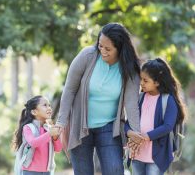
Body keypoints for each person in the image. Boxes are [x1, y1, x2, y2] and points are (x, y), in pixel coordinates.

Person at [55, 23, 141, 175]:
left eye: (108, 49)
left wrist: (135, 133)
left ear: (120, 49)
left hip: (109, 127)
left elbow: (131, 103)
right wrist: (61, 122)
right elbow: (69, 90)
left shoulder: (130, 69)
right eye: (100, 46)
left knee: (114, 170)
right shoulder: (87, 56)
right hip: (80, 124)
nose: (103, 51)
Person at [125, 58, 187, 175]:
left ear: (157, 82)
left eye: (145, 80)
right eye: (141, 79)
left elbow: (167, 126)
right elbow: (129, 122)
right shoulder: (140, 98)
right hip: (137, 155)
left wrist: (145, 137)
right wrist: (129, 133)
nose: (141, 83)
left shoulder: (168, 100)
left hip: (156, 157)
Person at [13, 95, 62, 175]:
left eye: (49, 105)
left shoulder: (49, 128)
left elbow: (58, 149)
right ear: (34, 112)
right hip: (30, 171)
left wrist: (56, 137)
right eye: (45, 105)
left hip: (47, 171)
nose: (49, 108)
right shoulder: (28, 128)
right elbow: (33, 143)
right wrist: (49, 134)